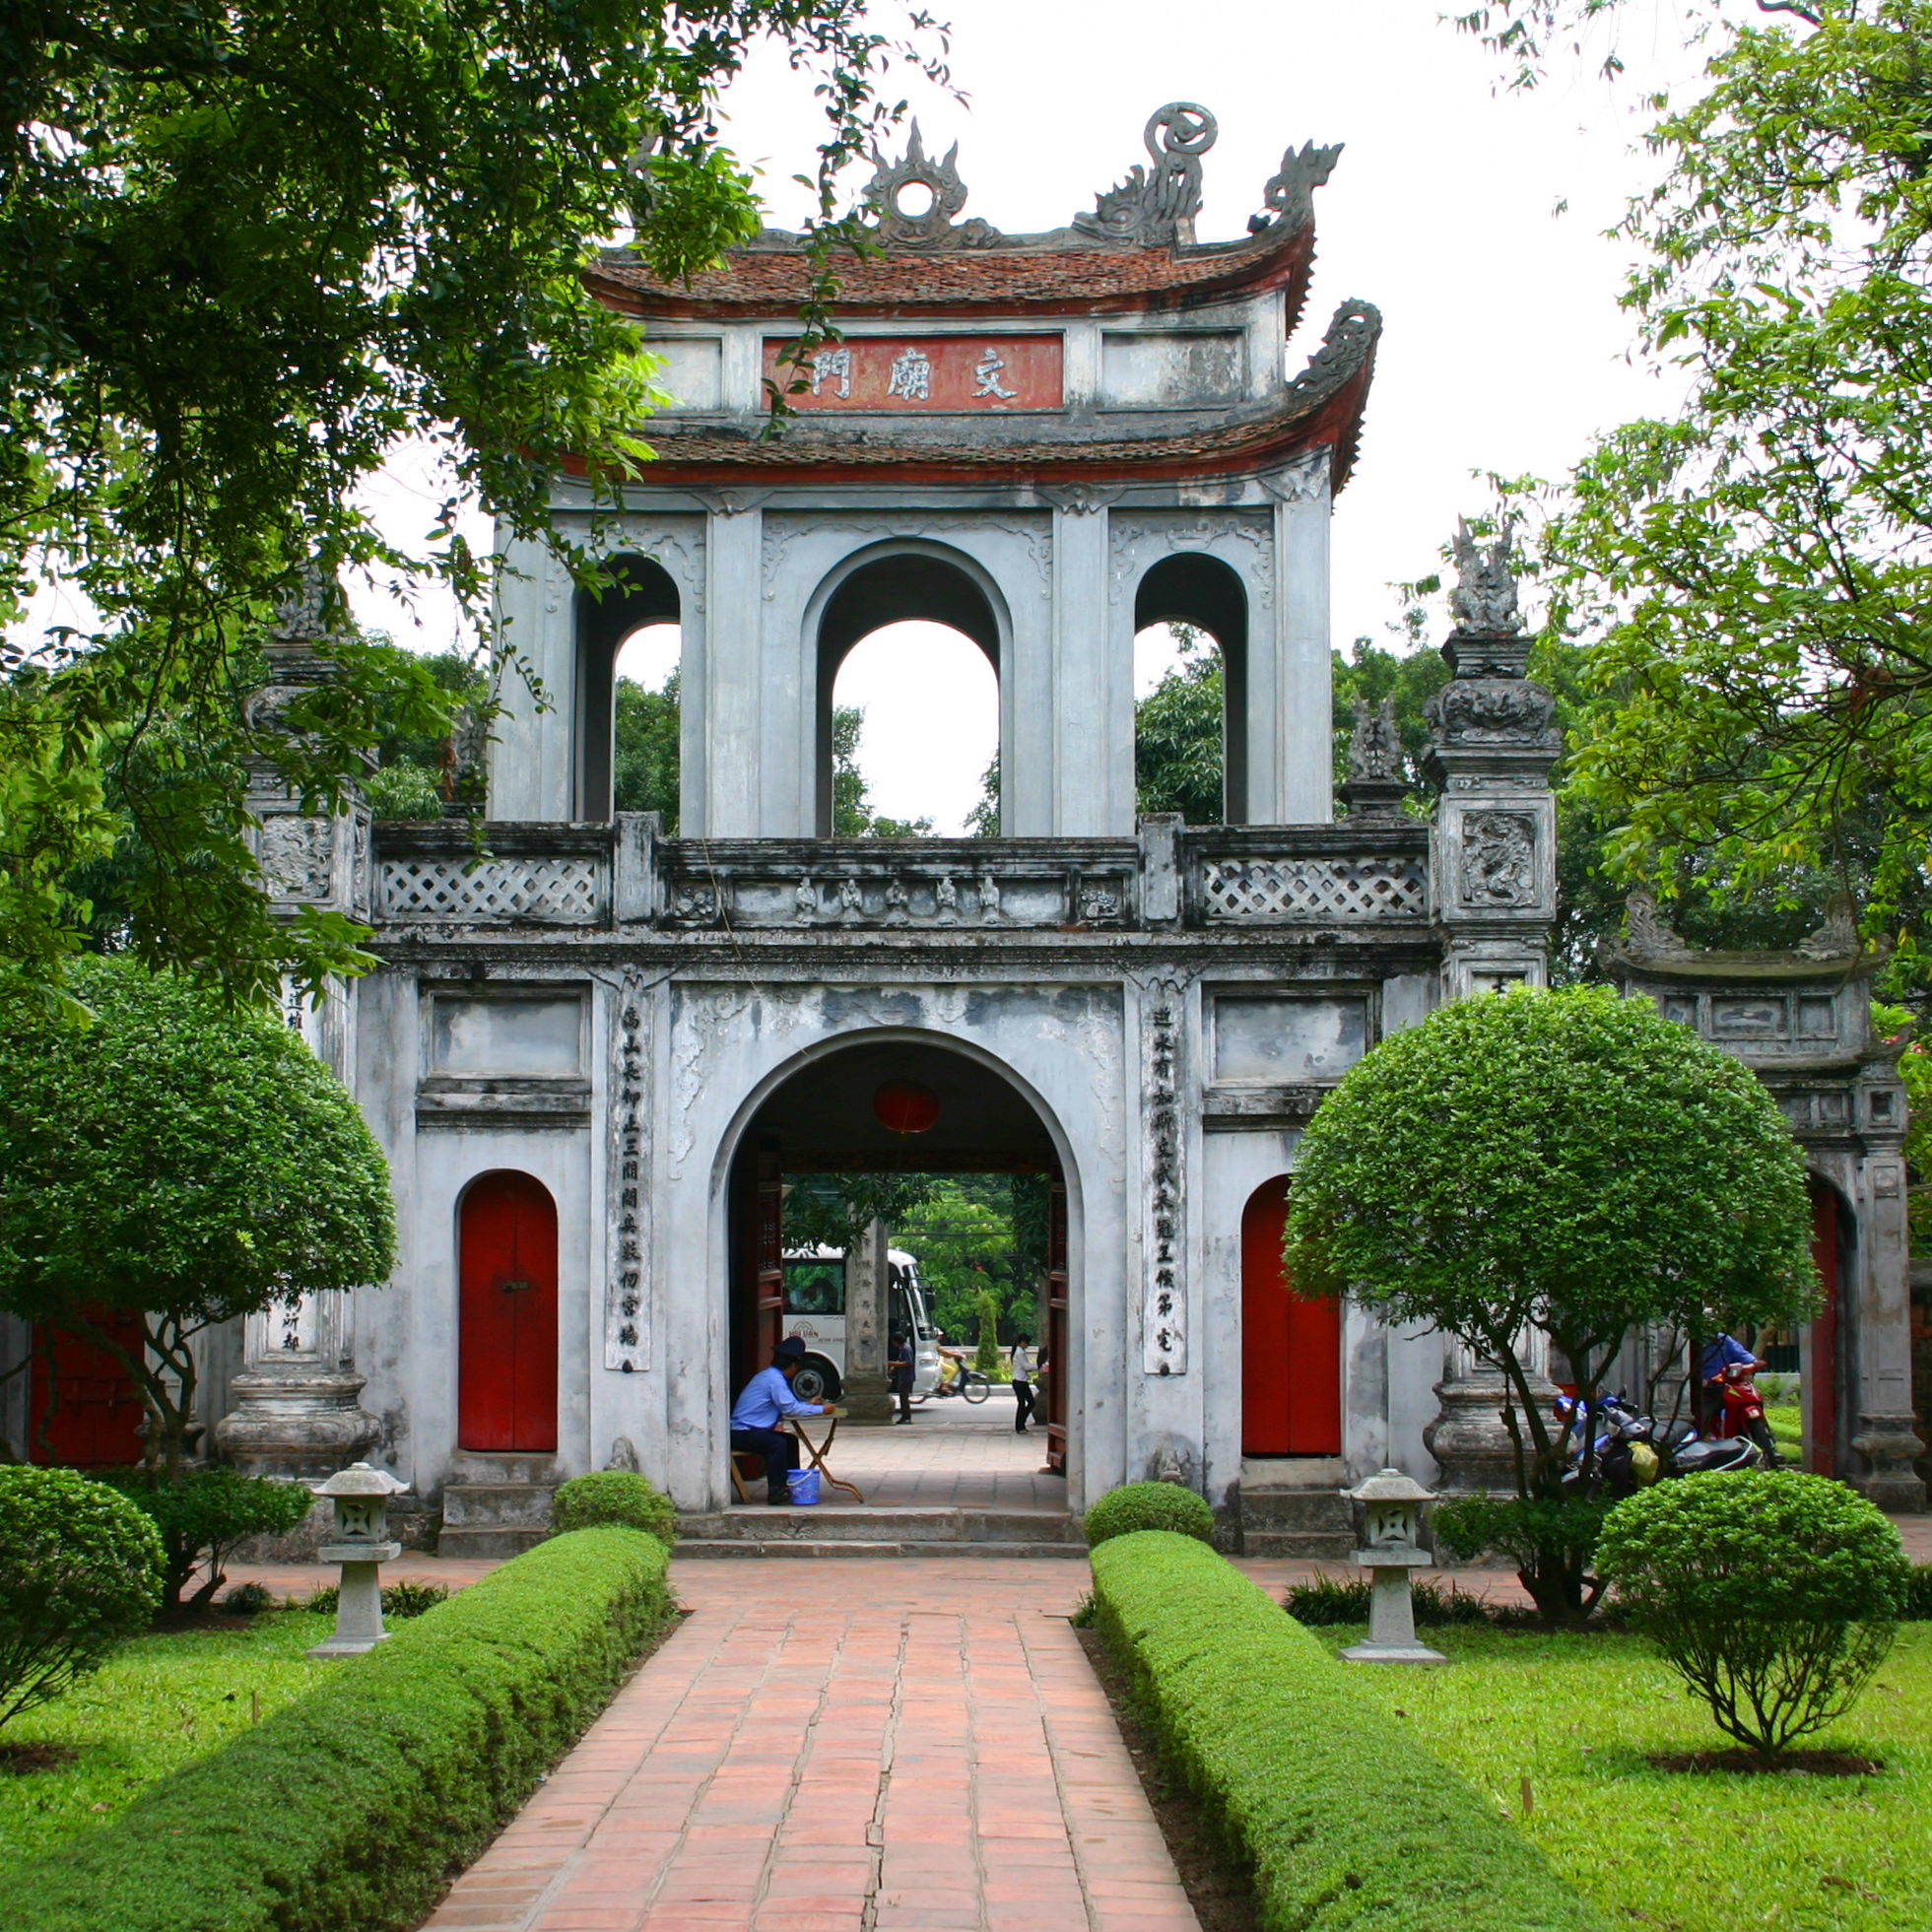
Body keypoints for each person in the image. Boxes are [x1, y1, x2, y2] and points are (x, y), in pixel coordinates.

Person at [730, 1335, 835, 1504]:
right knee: (776, 1444)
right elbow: (790, 1408)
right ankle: (776, 1490)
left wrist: (808, 1404)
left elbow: (787, 1404)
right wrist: (822, 1409)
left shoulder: (770, 1376)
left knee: (790, 1440)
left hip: (750, 1430)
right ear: (793, 1366)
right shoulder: (775, 1380)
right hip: (742, 1432)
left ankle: (791, 1484)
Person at [1009, 1331, 1036, 1433]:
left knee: (1023, 1403)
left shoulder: (1018, 1351)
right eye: (1027, 1343)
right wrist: (1039, 1367)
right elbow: (1026, 1366)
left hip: (1019, 1381)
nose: (1027, 1345)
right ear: (1021, 1342)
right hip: (1020, 1381)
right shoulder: (1019, 1352)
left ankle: (1020, 1425)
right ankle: (1020, 1425)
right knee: (1029, 1402)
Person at [889, 1325, 916, 1424]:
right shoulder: (903, 1348)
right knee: (903, 1398)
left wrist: (892, 1363)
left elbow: (907, 1363)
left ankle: (906, 1417)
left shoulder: (906, 1349)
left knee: (904, 1398)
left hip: (907, 1377)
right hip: (904, 1376)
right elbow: (901, 1360)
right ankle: (905, 1416)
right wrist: (894, 1366)